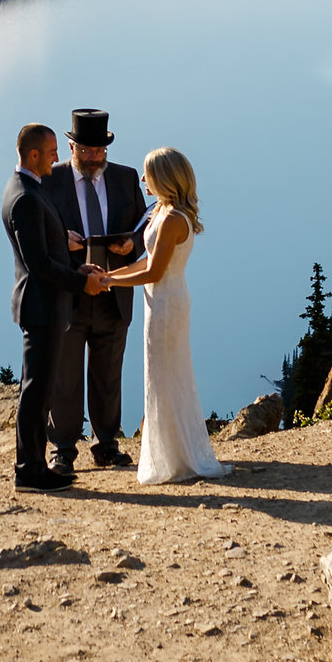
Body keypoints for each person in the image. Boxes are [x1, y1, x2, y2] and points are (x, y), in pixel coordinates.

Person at [103, 145, 229, 485]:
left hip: (167, 302)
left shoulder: (173, 219)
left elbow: (154, 272)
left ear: (165, 178)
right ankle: (174, 454)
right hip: (160, 301)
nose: (142, 178)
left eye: (148, 173)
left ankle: (176, 458)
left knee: (166, 375)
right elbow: (145, 261)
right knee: (161, 375)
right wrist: (109, 276)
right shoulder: (161, 211)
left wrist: (108, 282)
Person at [1, 122, 108, 493]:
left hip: (46, 304)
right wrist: (82, 282)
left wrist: (78, 268)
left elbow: (48, 252)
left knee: (40, 390)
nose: (57, 158)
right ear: (33, 155)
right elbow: (40, 265)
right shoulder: (26, 198)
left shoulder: (29, 188)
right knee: (36, 391)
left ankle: (31, 466)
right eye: (51, 153)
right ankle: (28, 471)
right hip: (41, 307)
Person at [45, 105, 144, 472]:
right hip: (68, 294)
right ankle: (63, 450)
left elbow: (143, 229)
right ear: (71, 147)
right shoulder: (49, 180)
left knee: (108, 375)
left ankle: (106, 445)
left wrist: (131, 244)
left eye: (99, 150)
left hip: (112, 292)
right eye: (85, 150)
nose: (93, 157)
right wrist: (61, 242)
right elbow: (34, 232)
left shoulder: (125, 177)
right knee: (65, 377)